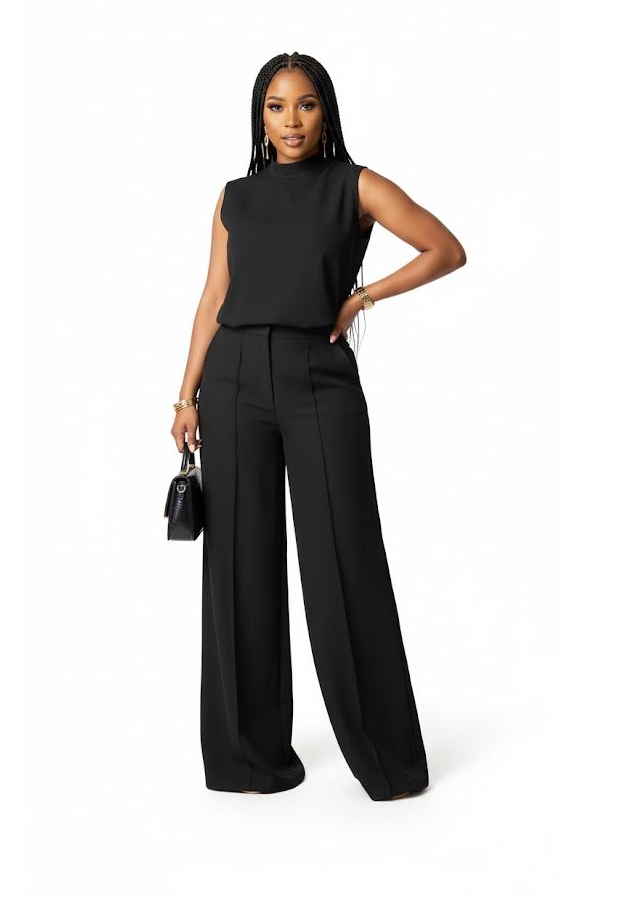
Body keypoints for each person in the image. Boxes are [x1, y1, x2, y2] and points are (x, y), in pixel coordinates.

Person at [171, 51, 467, 801]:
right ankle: (249, 760)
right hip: (233, 379)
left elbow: (445, 249)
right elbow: (212, 298)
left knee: (343, 556)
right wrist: (185, 396)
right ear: (259, 117)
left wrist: (362, 297)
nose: (291, 121)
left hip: (318, 378)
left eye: (305, 105)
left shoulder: (355, 185)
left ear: (325, 111)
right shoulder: (235, 196)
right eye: (275, 107)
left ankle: (388, 763)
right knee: (238, 564)